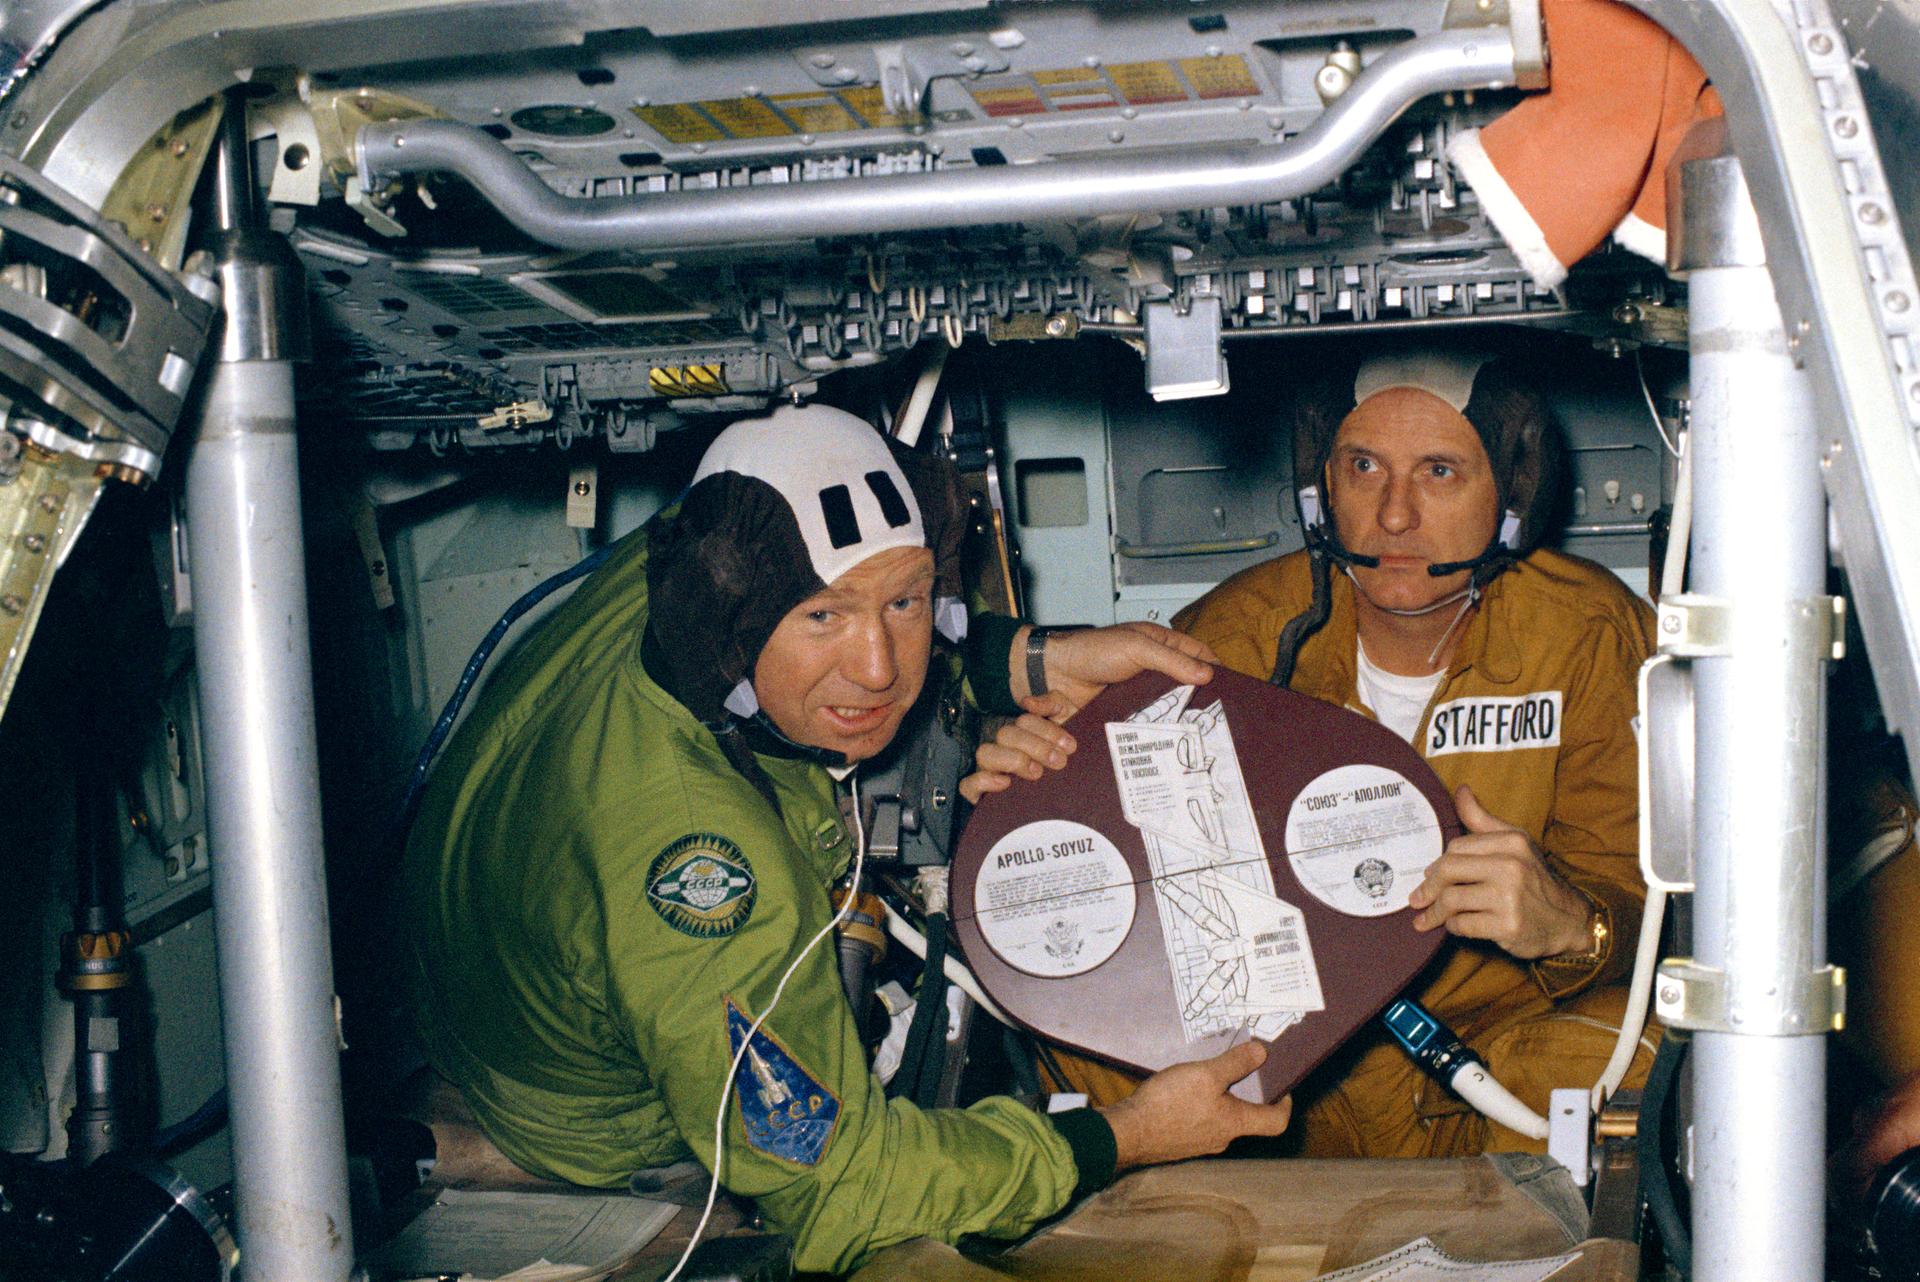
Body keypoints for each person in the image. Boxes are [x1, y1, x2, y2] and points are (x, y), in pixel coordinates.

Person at [396, 402, 1293, 1274]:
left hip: (479, 972)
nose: (879, 668)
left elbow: (860, 582)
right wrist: (1125, 1135)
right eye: (823, 617)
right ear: (726, 612)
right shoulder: (705, 869)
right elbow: (844, 1189)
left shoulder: (718, 532)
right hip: (578, 1120)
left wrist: (1023, 657)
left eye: (906, 604)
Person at [968, 348, 1657, 1157]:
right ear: (1320, 484)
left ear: (1512, 489)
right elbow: (1110, 882)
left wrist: (1577, 927)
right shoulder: (1230, 640)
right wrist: (1033, 783)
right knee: (1087, 1053)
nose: (1394, 516)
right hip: (1276, 1075)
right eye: (1364, 467)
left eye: (1439, 471)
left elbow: (1646, 907)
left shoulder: (1585, 636)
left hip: (1485, 1058)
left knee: (1633, 1052)